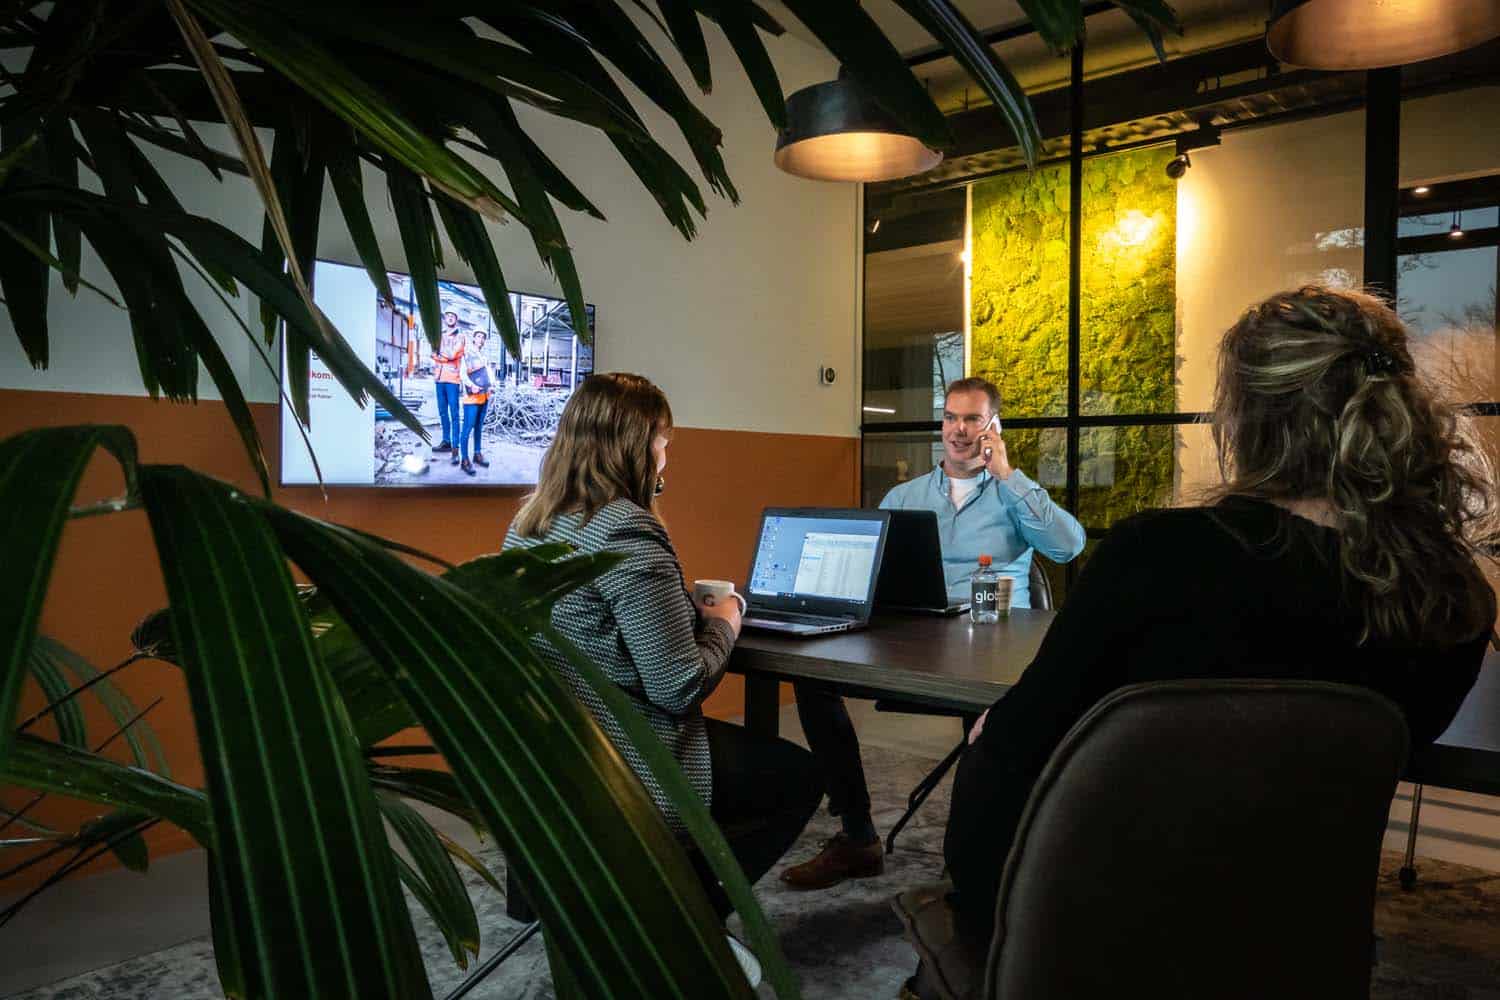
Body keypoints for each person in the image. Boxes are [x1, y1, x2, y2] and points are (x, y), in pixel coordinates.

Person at [938, 286, 1496, 947]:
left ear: (1243, 419)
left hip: (1095, 935)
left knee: (992, 741)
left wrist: (994, 735)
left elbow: (1017, 761)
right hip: (1296, 944)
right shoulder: (1451, 594)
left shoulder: (1159, 557)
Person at [502, 373, 823, 940]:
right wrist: (726, 618)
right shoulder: (626, 528)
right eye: (662, 440)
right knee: (797, 776)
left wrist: (677, 609)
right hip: (634, 756)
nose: (666, 453)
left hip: (561, 751)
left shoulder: (532, 524)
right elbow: (677, 684)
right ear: (635, 443)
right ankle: (677, 920)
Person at [782, 376, 1086, 891]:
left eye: (972, 419)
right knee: (812, 681)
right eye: (950, 418)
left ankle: (972, 859)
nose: (958, 430)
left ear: (994, 426)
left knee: (991, 711)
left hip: (991, 646)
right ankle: (857, 836)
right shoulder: (905, 495)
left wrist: (1007, 475)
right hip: (911, 642)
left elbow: (1067, 546)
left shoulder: (1015, 493)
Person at [458, 330, 493, 477]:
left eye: (483, 337)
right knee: (467, 428)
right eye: (479, 336)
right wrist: (471, 385)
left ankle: (477, 454)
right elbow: (462, 374)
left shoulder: (484, 356)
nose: (481, 339)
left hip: (484, 396)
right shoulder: (467, 354)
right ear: (474, 338)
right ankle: (464, 460)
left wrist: (492, 385)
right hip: (472, 397)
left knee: (479, 427)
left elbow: (489, 374)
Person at [431, 311, 465, 461]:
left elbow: (452, 354)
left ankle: (455, 447)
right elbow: (432, 354)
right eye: (448, 315)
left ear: (456, 319)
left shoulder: (461, 337)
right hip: (439, 379)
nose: (450, 317)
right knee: (443, 412)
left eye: (453, 315)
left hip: (452, 379)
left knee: (454, 414)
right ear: (444, 318)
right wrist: (442, 355)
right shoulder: (438, 335)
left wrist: (441, 354)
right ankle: (446, 441)